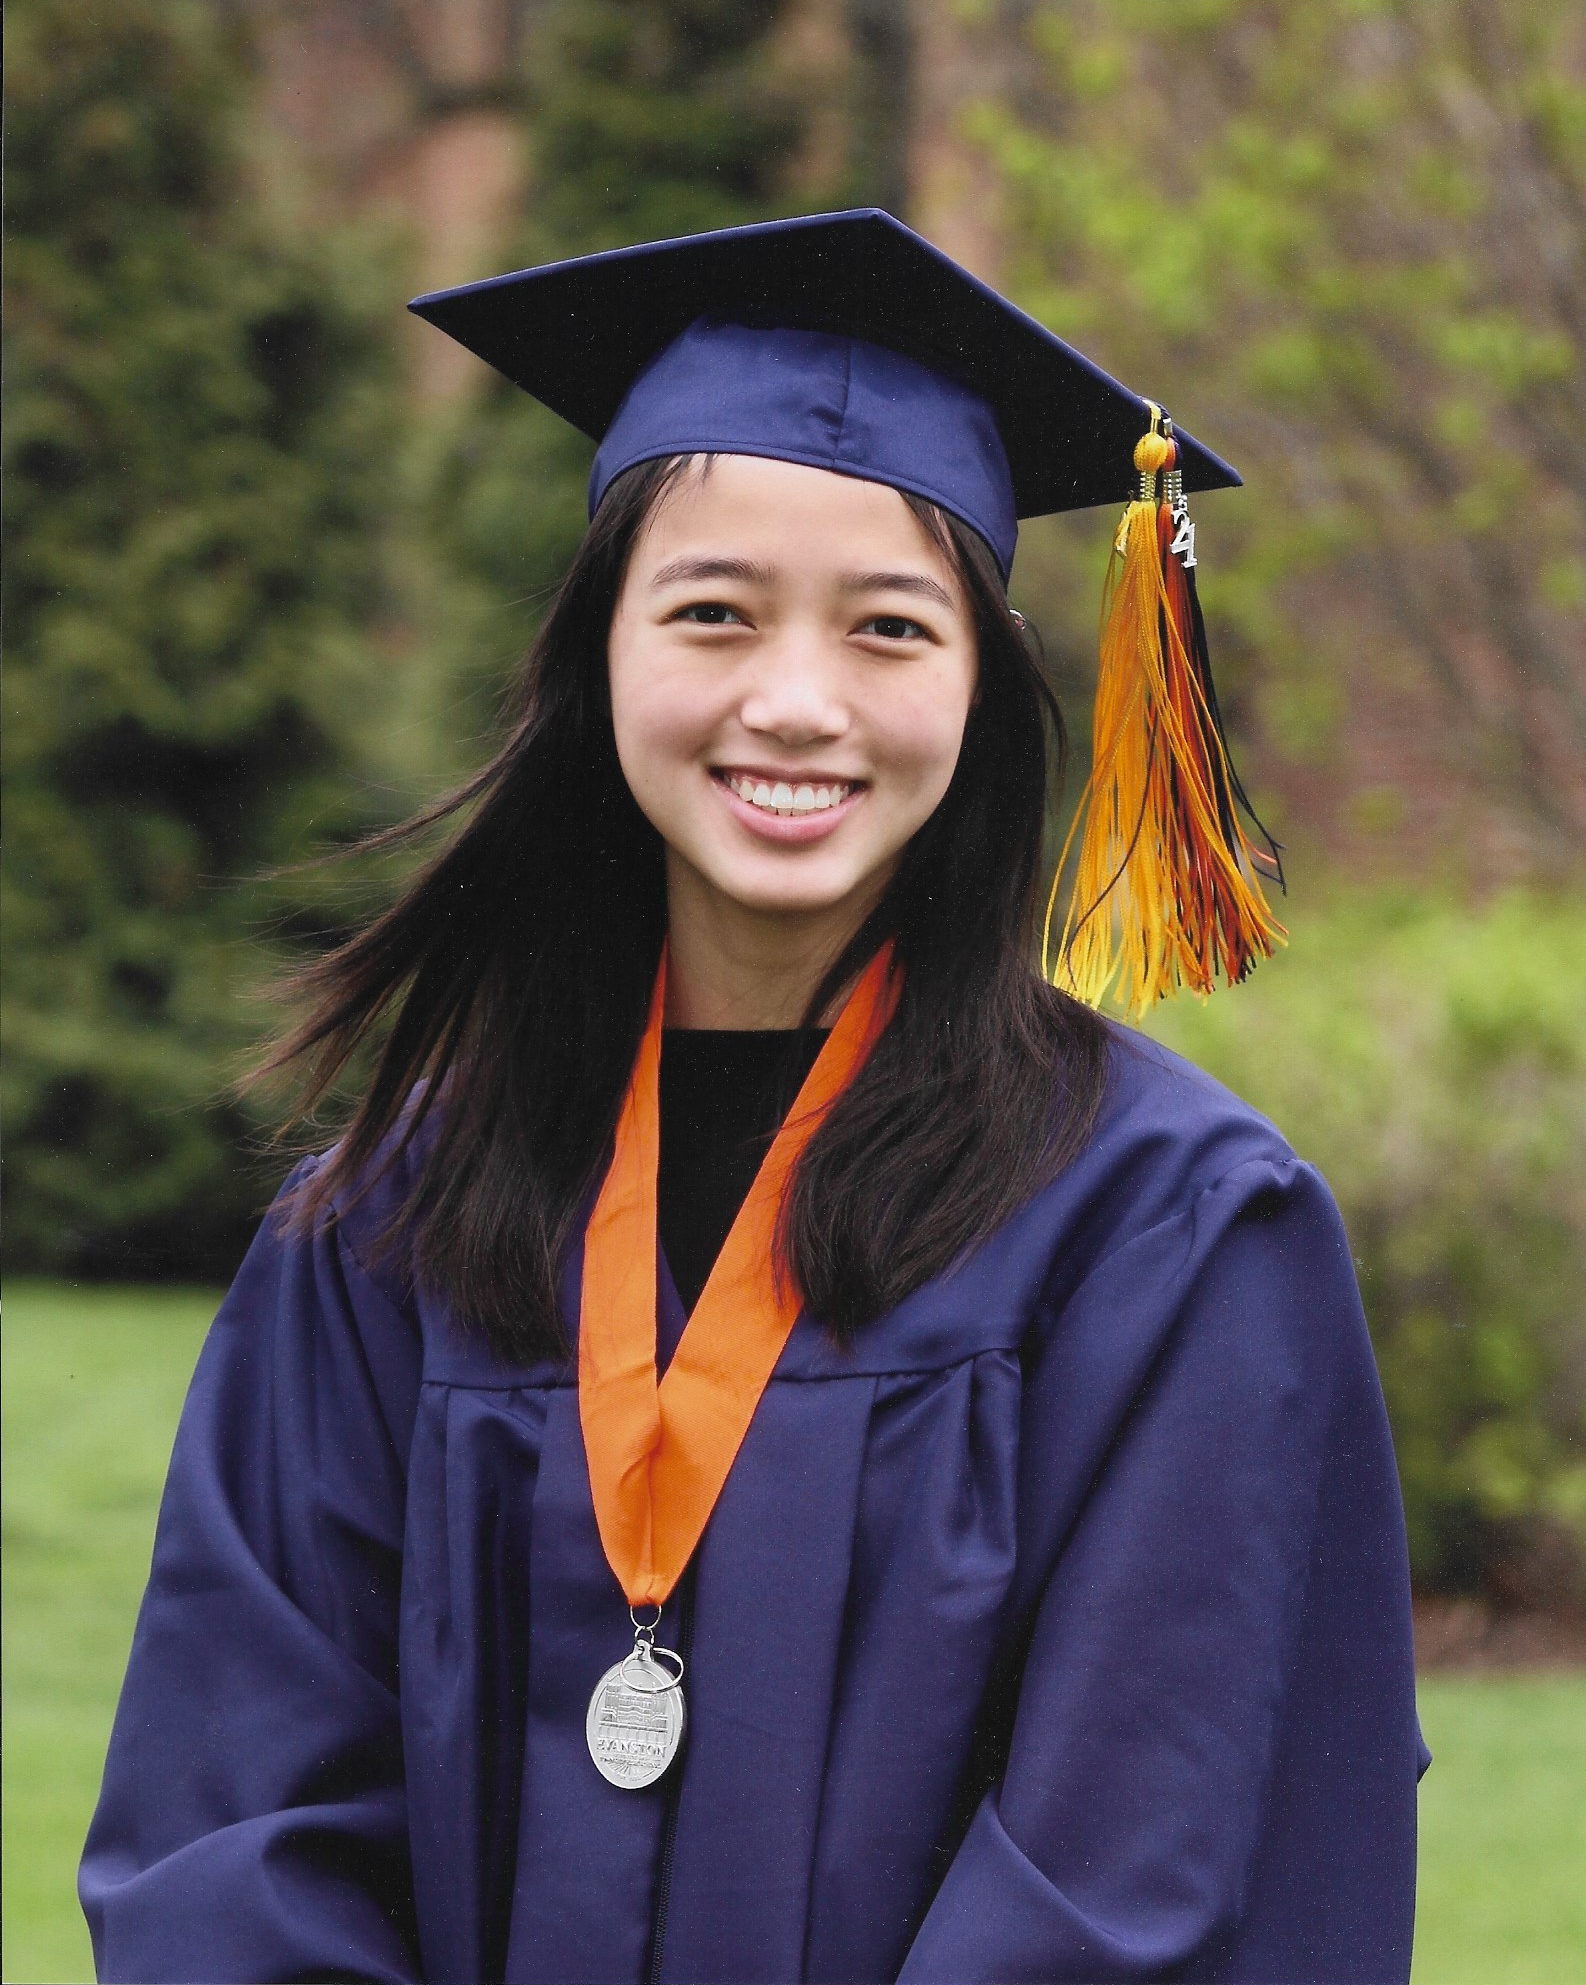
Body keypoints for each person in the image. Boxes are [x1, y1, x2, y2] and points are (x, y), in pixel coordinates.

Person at [81, 210, 1425, 1984]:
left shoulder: (1167, 1238)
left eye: (888, 629)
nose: (795, 703)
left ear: (980, 686)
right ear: (598, 658)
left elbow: (1139, 1878)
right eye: (712, 612)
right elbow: (233, 1819)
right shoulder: (392, 1218)